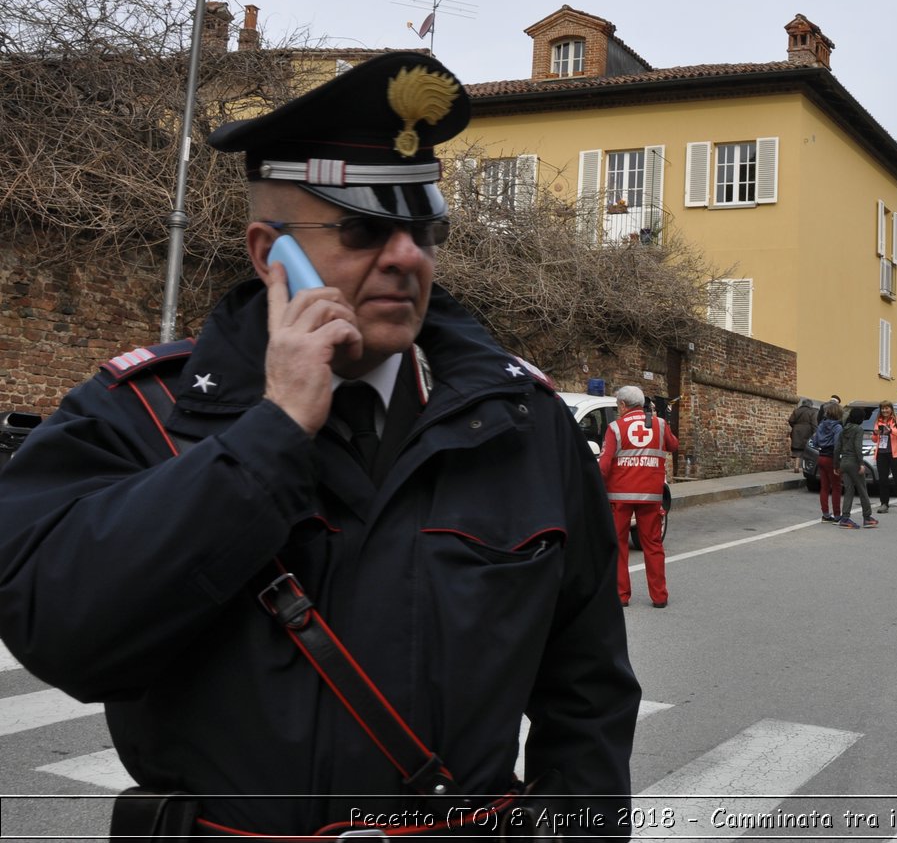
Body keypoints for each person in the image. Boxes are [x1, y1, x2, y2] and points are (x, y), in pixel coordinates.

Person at [0, 52, 639, 838]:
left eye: (424, 228)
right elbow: (63, 634)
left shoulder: (522, 425)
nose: (407, 256)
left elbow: (589, 699)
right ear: (272, 254)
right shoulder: (141, 416)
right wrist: (271, 432)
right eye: (365, 228)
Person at [602, 384, 677, 607]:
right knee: (653, 545)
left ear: (623, 405)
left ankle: (621, 595)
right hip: (650, 497)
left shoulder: (615, 427)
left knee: (619, 544)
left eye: (618, 405)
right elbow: (673, 446)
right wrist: (661, 422)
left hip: (620, 497)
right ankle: (659, 597)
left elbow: (604, 464)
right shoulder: (660, 424)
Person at [835, 410, 878, 529]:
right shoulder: (858, 430)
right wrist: (861, 463)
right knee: (862, 489)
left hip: (844, 462)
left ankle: (845, 518)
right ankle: (867, 517)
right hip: (854, 462)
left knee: (849, 490)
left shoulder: (843, 430)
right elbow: (858, 447)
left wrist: (836, 465)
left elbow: (837, 448)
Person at [872, 401, 897, 515]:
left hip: (896, 453)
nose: (884, 411)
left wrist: (891, 430)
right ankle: (884, 504)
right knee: (883, 480)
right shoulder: (878, 420)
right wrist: (875, 434)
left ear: (891, 409)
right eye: (882, 409)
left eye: (886, 408)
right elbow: (875, 439)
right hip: (881, 453)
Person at [811, 401, 845, 522]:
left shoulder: (821, 425)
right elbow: (837, 445)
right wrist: (837, 463)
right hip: (831, 457)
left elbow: (814, 442)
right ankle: (837, 514)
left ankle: (825, 514)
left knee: (824, 487)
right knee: (836, 487)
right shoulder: (838, 427)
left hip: (821, 456)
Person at [788, 397, 819, 473]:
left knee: (797, 449)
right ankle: (805, 467)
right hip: (807, 431)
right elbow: (814, 423)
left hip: (796, 431)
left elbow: (790, 420)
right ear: (810, 405)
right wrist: (815, 432)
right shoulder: (812, 411)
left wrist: (795, 427)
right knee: (806, 449)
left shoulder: (796, 411)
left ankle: (796, 466)